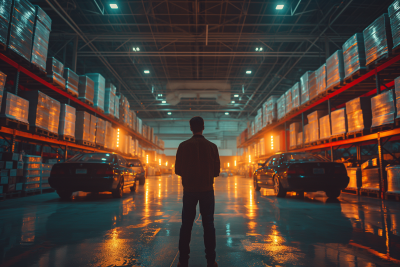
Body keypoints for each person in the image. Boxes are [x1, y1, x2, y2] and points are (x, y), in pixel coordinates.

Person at [175, 116, 220, 267]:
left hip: (189, 191)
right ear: (203, 127)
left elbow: (178, 169)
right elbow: (216, 171)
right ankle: (211, 261)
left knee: (186, 225)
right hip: (207, 190)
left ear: (190, 128)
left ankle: (183, 261)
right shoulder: (212, 147)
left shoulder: (183, 146)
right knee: (209, 225)